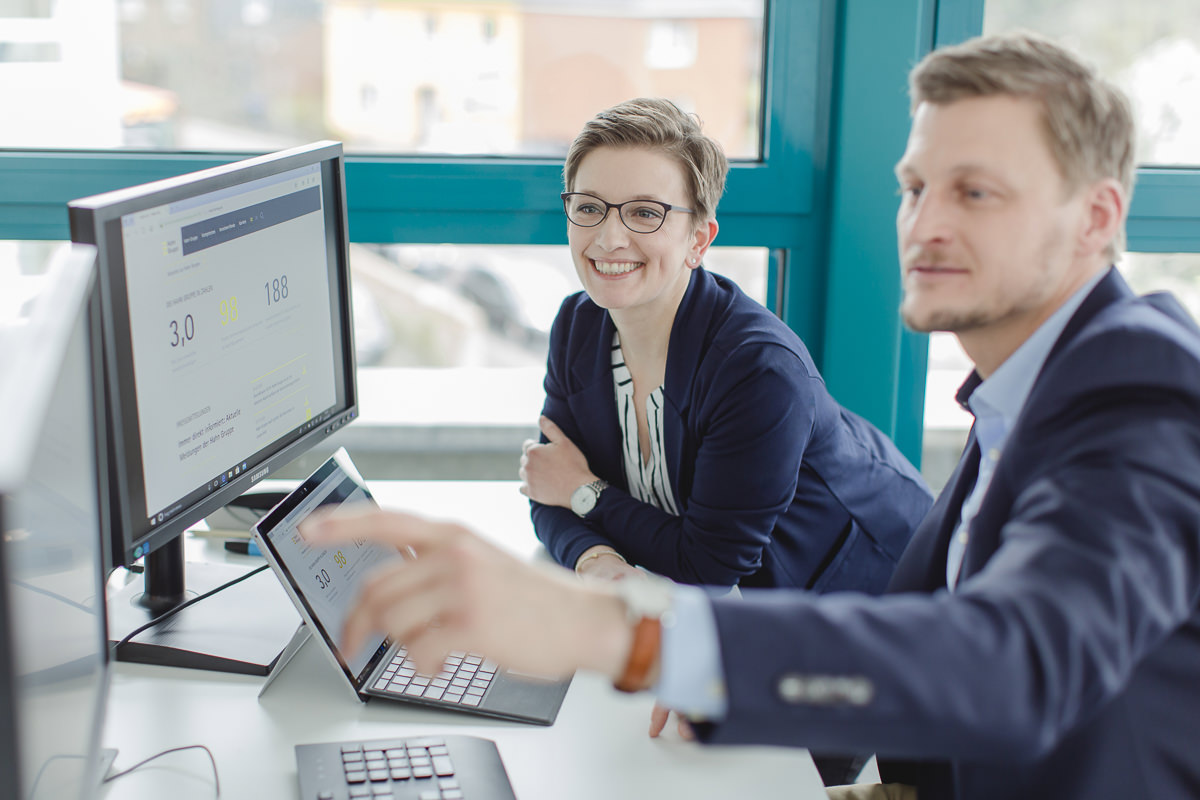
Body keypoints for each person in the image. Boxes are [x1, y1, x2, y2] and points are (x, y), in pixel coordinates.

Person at [302, 31, 1200, 800]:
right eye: (915, 187)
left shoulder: (1144, 402)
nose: (923, 224)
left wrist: (611, 626)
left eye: (976, 192)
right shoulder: (1024, 392)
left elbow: (1016, 660)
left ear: (1097, 218)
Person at [520, 97, 932, 598]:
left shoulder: (758, 370)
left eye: (645, 213)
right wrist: (596, 559)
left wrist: (586, 492)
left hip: (874, 595)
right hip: (738, 610)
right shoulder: (578, 326)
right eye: (589, 207)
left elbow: (709, 564)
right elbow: (547, 487)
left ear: (699, 239)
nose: (608, 238)